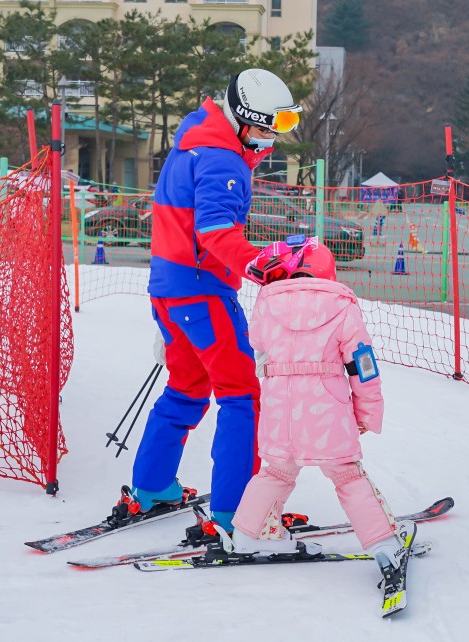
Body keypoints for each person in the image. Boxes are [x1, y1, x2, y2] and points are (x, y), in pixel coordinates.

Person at [112, 69, 303, 538]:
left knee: (188, 387)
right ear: (241, 121)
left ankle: (153, 486)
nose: (268, 142)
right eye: (263, 130)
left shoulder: (195, 142)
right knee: (243, 398)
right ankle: (239, 512)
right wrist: (260, 266)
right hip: (202, 293)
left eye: (278, 130)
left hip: (170, 290)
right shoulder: (222, 158)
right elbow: (216, 231)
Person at [230, 237, 409, 579]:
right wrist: (368, 412)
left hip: (279, 405)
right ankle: (385, 545)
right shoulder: (342, 305)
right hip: (326, 408)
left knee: (276, 471)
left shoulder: (266, 303)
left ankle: (248, 533)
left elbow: (258, 346)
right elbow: (362, 364)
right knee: (346, 475)